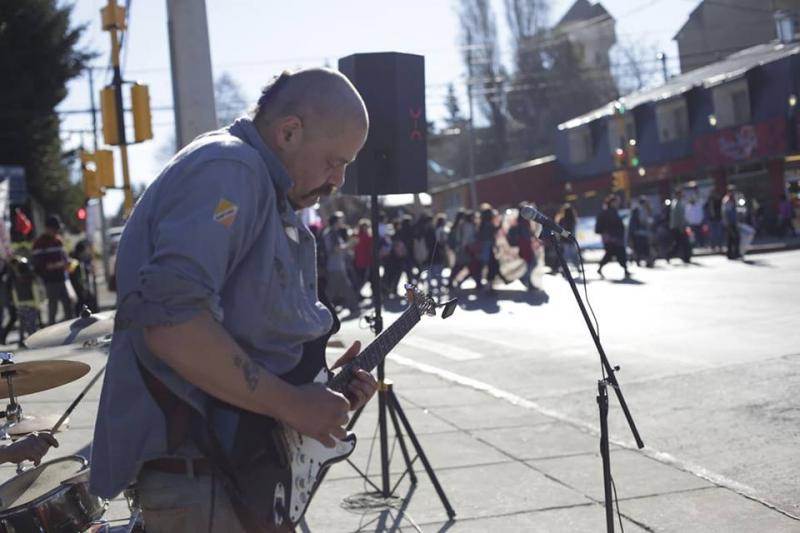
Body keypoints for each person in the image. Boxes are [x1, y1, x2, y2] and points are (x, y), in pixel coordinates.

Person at [90, 68, 378, 533]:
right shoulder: (231, 168)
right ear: (289, 131)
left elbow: (245, 335)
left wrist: (319, 386)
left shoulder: (256, 181)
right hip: (205, 483)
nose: (338, 179)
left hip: (230, 479)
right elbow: (173, 325)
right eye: (333, 161)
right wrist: (294, 404)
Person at [31, 215, 73, 325]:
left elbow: (64, 256)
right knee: (53, 307)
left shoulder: (58, 241)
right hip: (50, 281)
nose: (56, 232)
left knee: (68, 304)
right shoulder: (39, 243)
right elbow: (38, 264)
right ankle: (51, 329)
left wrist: (67, 261)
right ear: (47, 228)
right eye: (54, 229)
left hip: (62, 278)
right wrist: (52, 266)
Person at [595, 195, 629, 278]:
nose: (617, 204)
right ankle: (625, 269)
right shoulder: (608, 212)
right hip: (611, 237)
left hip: (612, 237)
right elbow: (611, 224)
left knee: (616, 253)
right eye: (616, 202)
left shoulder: (612, 211)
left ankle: (625, 269)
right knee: (616, 253)